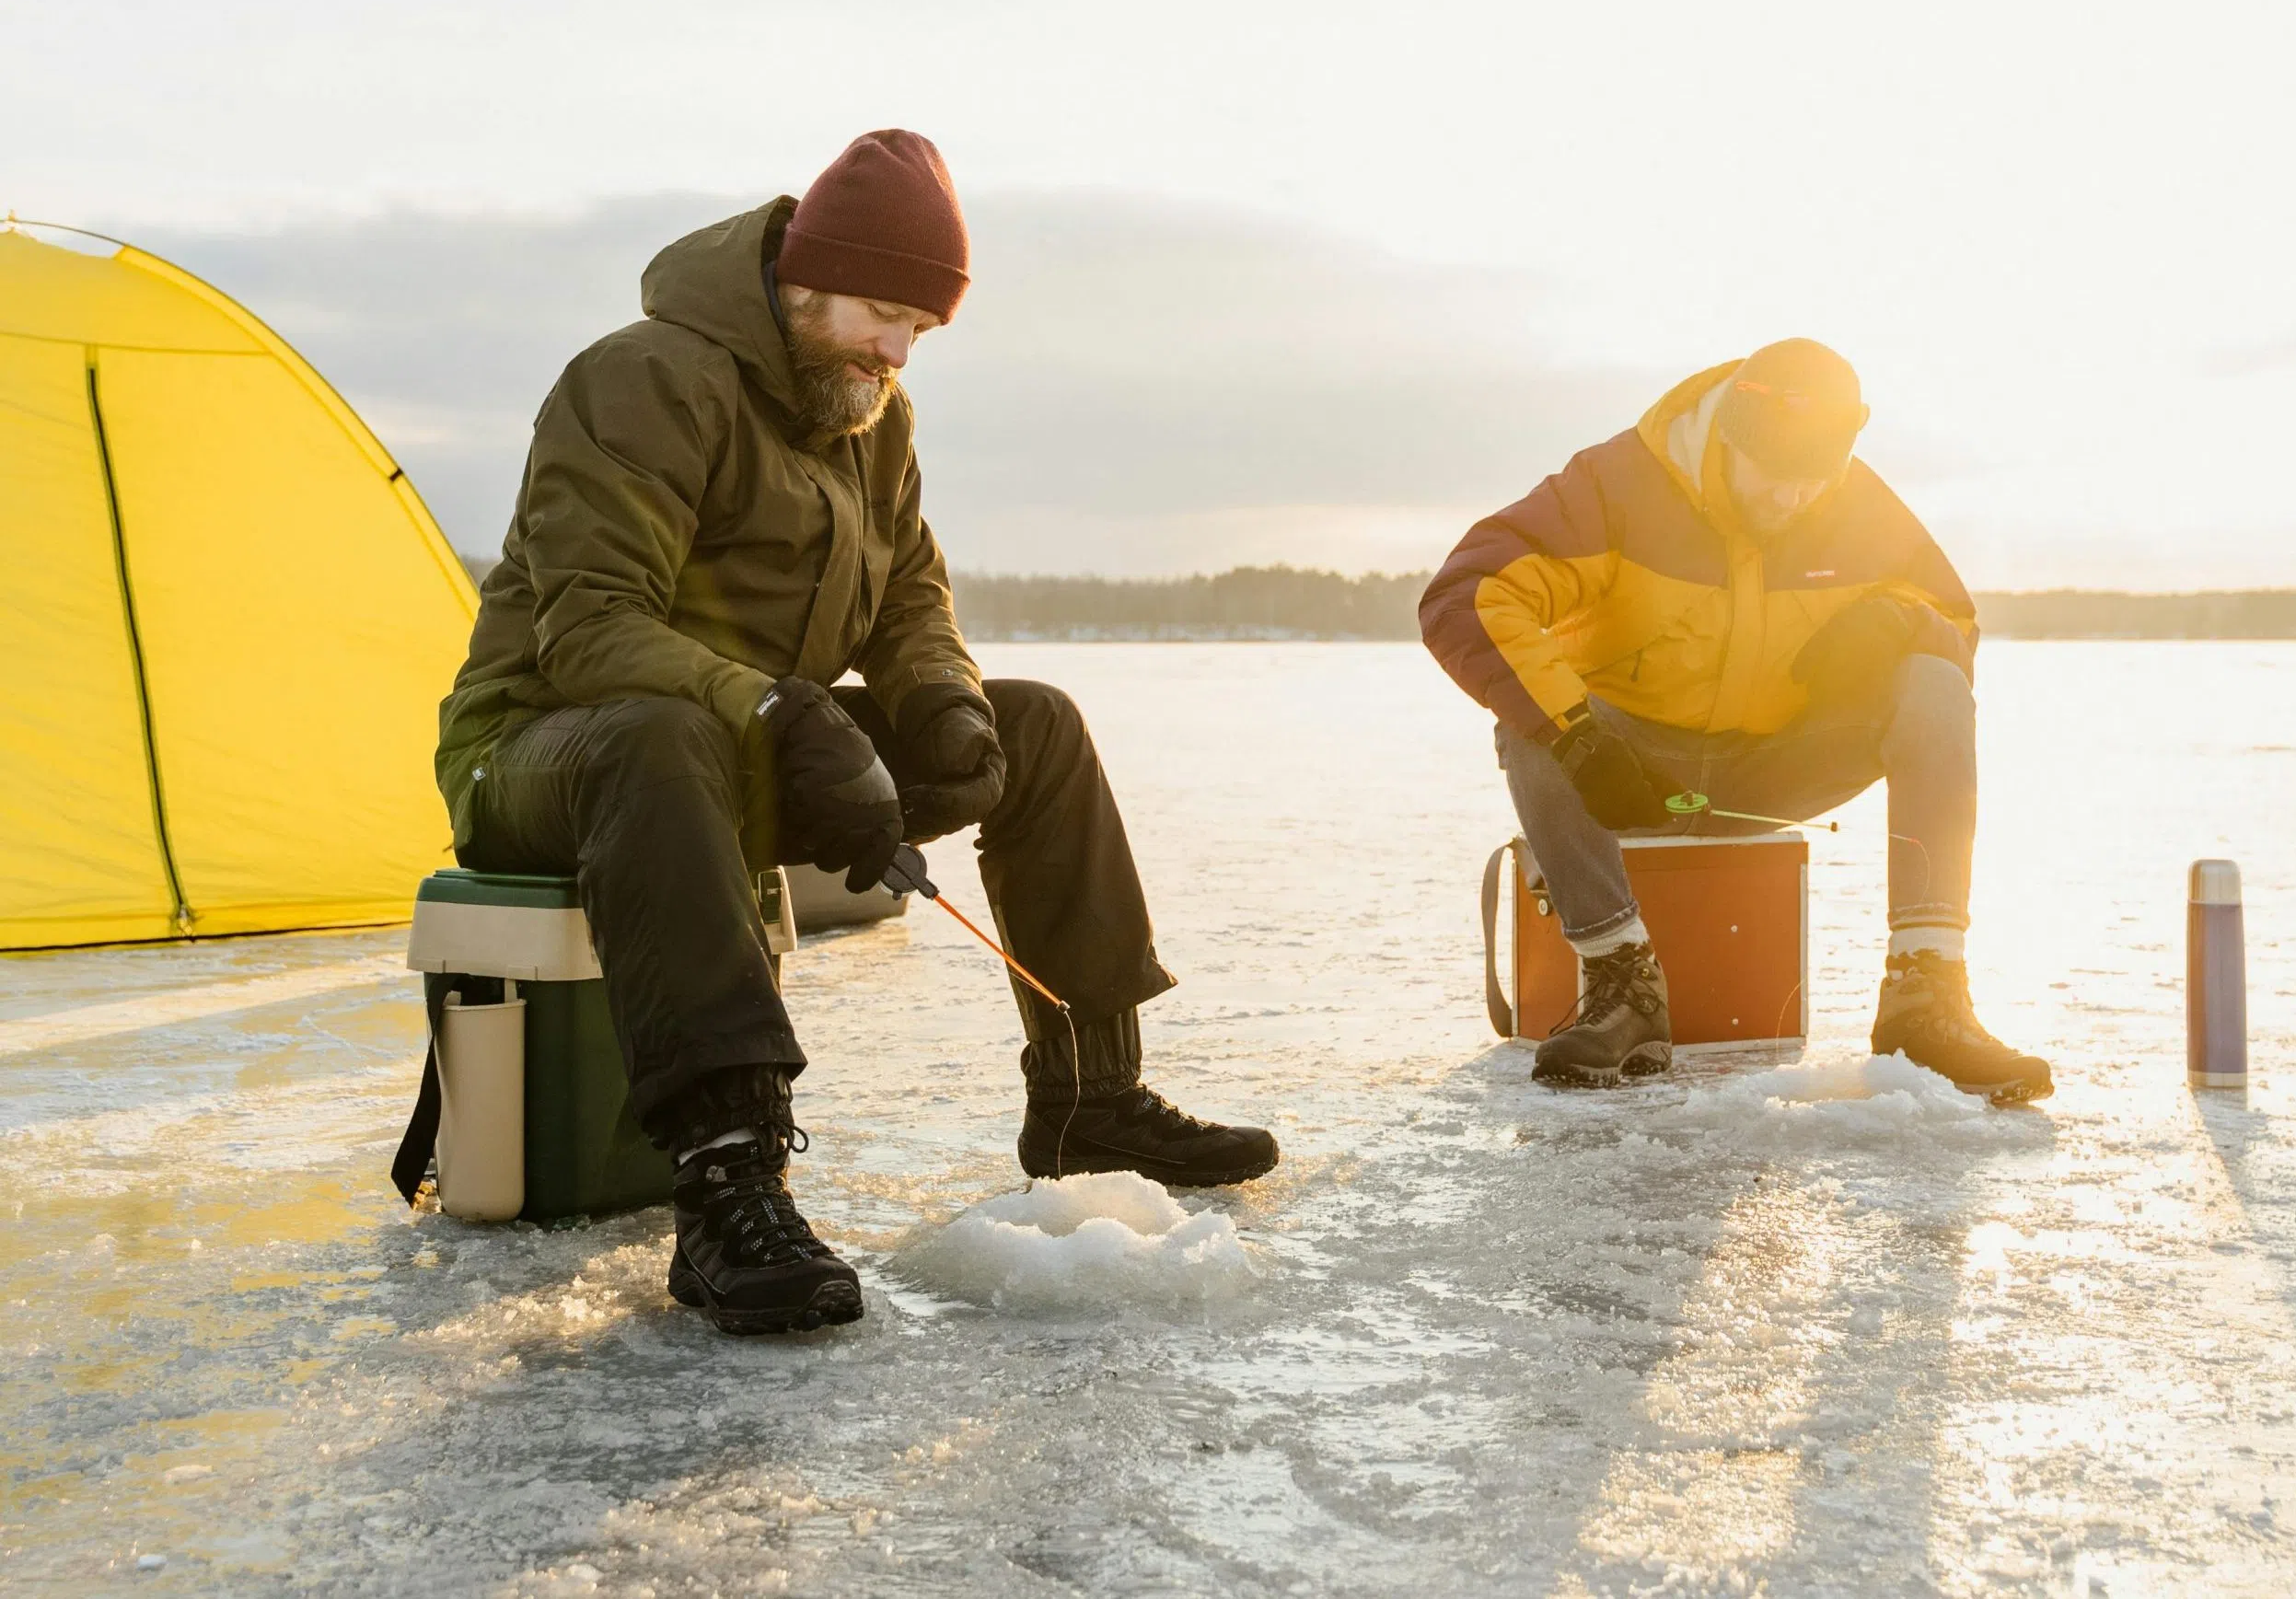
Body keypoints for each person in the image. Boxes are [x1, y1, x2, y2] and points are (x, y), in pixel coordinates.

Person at [435, 131, 1278, 1335]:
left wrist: (939, 705)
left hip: (742, 744)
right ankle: (729, 1176)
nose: (896, 350)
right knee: (662, 735)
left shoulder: (875, 422)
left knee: (1030, 725)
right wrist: (782, 708)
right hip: (545, 748)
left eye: (920, 330)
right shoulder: (642, 381)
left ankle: (1093, 1092)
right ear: (800, 277)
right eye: (883, 313)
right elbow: (589, 631)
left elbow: (908, 601)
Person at [1420, 338, 2052, 1104]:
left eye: (1814, 482)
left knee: (1935, 676)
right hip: (1630, 770)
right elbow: (1467, 592)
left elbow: (1951, 615)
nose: (1794, 501)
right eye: (1777, 479)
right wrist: (1583, 743)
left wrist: (1895, 621)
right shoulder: (1617, 486)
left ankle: (1927, 992)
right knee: (1529, 712)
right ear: (1729, 439)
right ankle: (1624, 985)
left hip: (1778, 767)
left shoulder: (1856, 502)